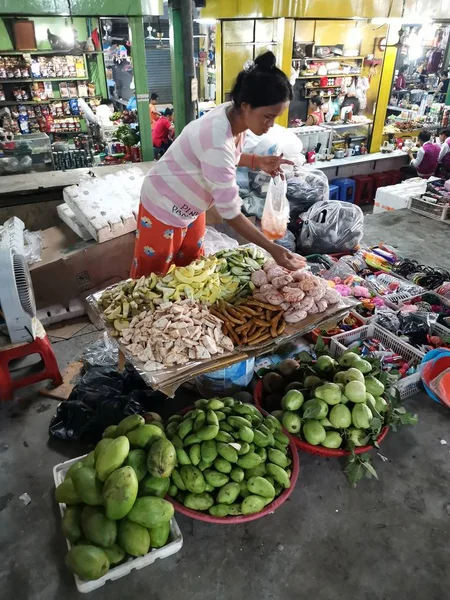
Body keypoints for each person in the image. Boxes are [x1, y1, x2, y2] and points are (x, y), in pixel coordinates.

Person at [131, 51, 306, 278]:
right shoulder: (217, 137)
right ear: (246, 106)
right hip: (164, 204)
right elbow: (231, 212)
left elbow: (221, 159)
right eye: (267, 116)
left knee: (193, 270)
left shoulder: (232, 118)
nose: (271, 125)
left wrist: (256, 161)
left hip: (191, 207)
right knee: (152, 277)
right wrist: (273, 249)